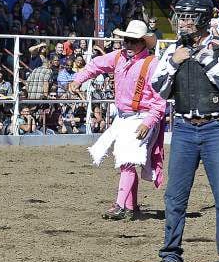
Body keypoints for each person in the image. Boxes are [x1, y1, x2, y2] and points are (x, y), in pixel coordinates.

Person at [150, 0, 219, 262]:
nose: (184, 22)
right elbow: (160, 89)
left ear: (203, 19)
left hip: (216, 126)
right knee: (175, 197)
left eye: (190, 17)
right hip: (183, 128)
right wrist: (173, 64)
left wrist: (204, 58)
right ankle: (170, 255)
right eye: (182, 16)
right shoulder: (172, 51)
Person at [69, 20, 166, 221]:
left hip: (142, 117)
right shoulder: (120, 57)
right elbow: (96, 65)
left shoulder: (152, 64)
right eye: (126, 41)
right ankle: (130, 207)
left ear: (142, 43)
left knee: (127, 160)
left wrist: (148, 122)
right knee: (127, 161)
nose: (127, 45)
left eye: (132, 41)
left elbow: (160, 100)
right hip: (125, 117)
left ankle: (121, 206)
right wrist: (79, 78)